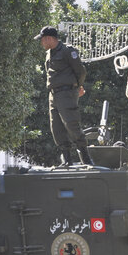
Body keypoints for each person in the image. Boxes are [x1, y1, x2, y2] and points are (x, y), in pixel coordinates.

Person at [35, 25, 93, 166]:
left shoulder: (67, 51)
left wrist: (77, 87)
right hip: (53, 94)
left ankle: (86, 158)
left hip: (67, 92)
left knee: (71, 124)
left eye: (42, 40)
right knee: (56, 127)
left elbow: (80, 71)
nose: (41, 43)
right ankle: (67, 159)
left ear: (49, 38)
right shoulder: (49, 53)